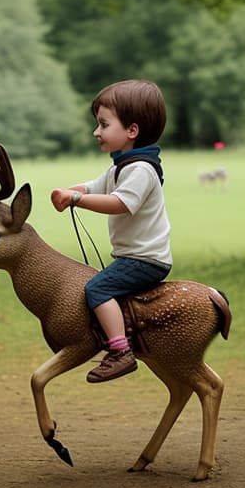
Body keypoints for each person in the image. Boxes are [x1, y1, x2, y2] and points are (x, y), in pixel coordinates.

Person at [50, 79, 172, 383]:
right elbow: (96, 186)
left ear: (131, 131)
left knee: (97, 288)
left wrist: (78, 199)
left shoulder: (140, 170)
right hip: (132, 256)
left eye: (104, 124)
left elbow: (119, 203)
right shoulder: (121, 166)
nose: (96, 132)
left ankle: (120, 351)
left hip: (145, 259)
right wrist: (73, 190)